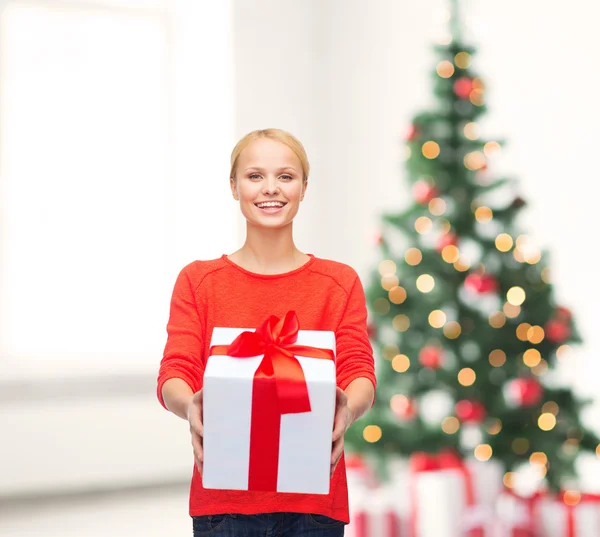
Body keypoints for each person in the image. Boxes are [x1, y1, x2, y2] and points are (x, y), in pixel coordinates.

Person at [157, 128, 376, 536]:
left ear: (304, 188)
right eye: (255, 175)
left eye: (286, 176)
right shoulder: (199, 281)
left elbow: (357, 368)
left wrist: (349, 409)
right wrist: (191, 407)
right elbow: (176, 369)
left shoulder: (338, 282)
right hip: (224, 504)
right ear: (233, 186)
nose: (270, 189)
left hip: (314, 504)